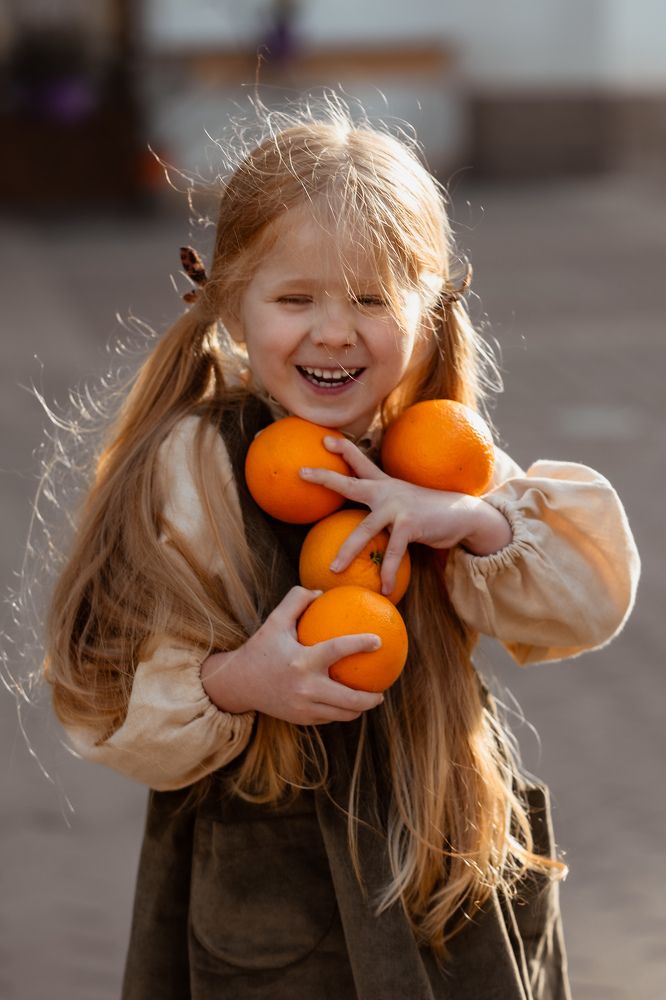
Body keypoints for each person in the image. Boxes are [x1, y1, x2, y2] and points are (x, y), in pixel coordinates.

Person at [44, 101, 639, 1000]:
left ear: (427, 313)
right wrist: (238, 682)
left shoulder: (438, 454)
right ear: (232, 308)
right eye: (296, 299)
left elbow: (588, 604)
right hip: (271, 895)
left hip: (446, 872)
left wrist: (470, 522)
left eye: (371, 300)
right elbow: (102, 693)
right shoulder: (197, 465)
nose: (333, 331)